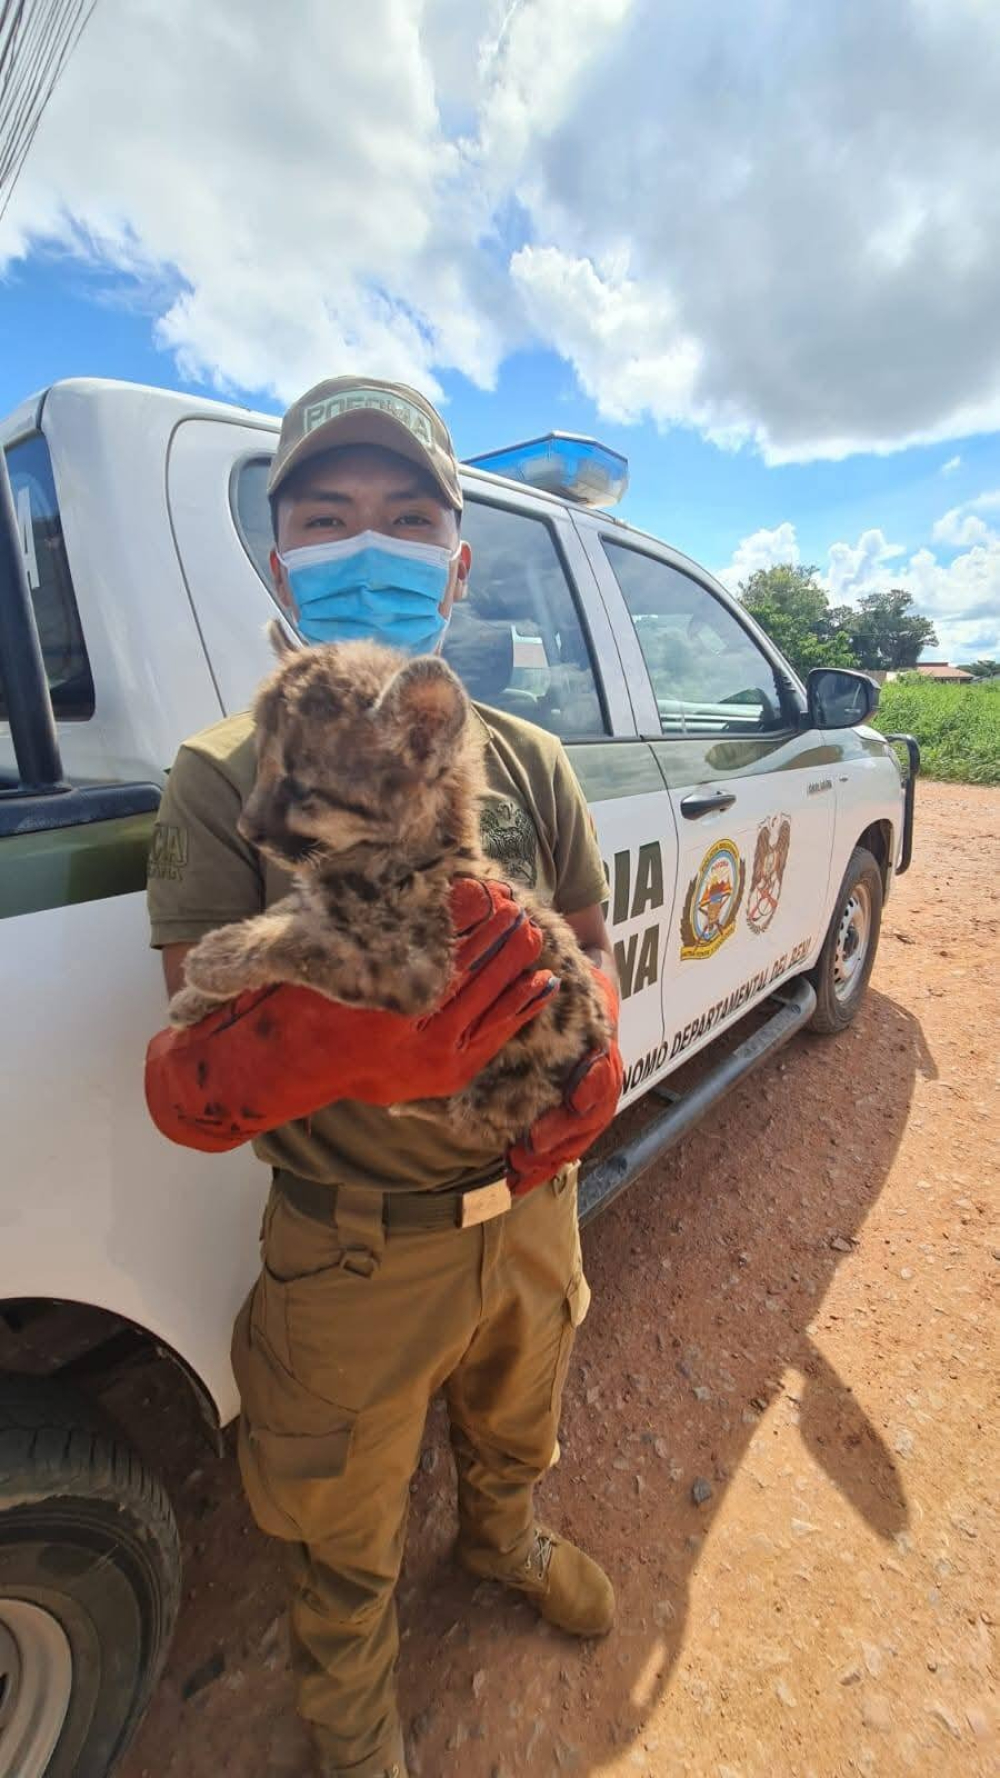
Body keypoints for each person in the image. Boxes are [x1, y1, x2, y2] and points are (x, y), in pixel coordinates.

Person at [145, 377, 623, 1778]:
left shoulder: (530, 758)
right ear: (278, 559)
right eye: (327, 519)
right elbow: (180, 1068)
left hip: (532, 1207)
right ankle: (356, 1731)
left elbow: (594, 949)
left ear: (457, 567)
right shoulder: (218, 776)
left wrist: (593, 1028)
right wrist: (345, 1033)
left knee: (517, 1423)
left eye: (407, 522)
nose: (368, 548)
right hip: (353, 1256)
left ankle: (502, 1541)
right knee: (338, 1529)